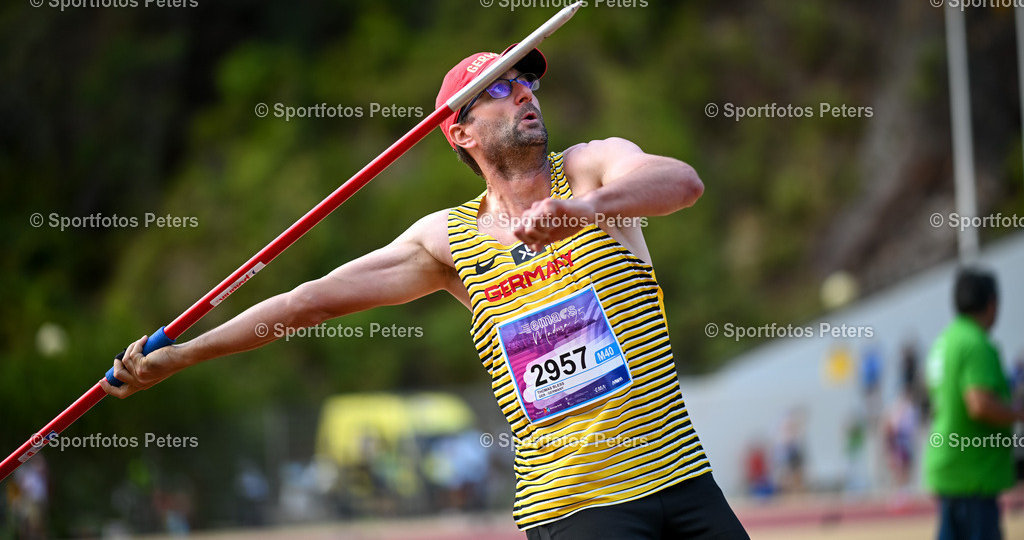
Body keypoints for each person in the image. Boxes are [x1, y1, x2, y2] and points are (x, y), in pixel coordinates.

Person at [103, 46, 750, 539]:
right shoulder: (447, 241)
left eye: (528, 83)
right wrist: (184, 354)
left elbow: (682, 183)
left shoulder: (589, 170)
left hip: (682, 480)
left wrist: (583, 211)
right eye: (499, 89)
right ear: (460, 132)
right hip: (575, 506)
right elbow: (309, 301)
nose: (524, 93)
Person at [924, 267, 1024, 540]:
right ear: (992, 303)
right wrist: (1018, 413)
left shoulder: (944, 341)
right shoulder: (976, 343)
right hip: (973, 471)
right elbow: (979, 404)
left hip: (950, 464)